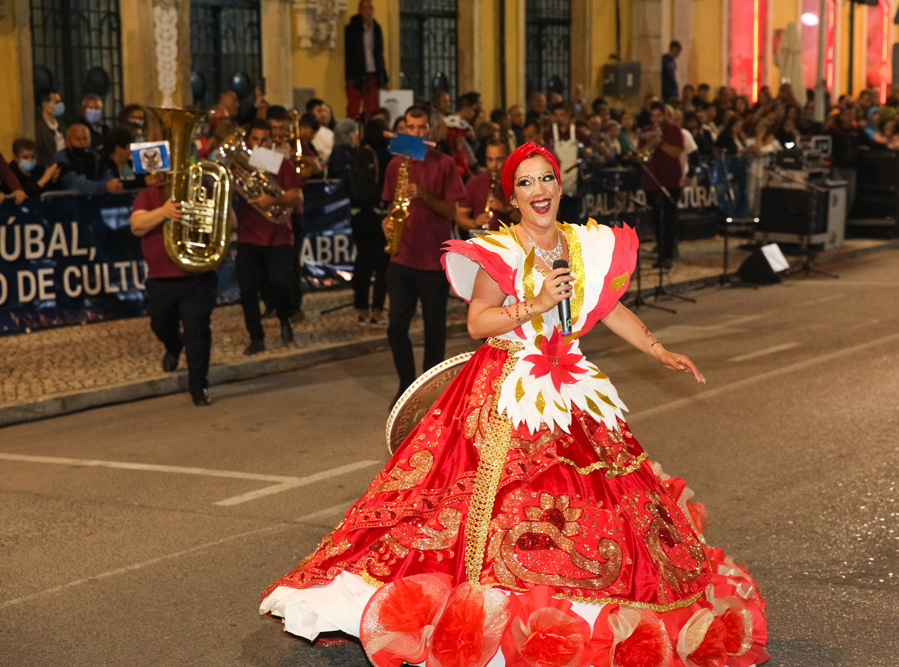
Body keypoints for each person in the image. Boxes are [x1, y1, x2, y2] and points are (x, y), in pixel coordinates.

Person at [259, 143, 769, 667]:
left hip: (568, 382)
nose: (539, 191)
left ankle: (582, 609)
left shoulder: (580, 244)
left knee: (594, 497)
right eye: (525, 183)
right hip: (507, 385)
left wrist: (659, 350)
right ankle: (496, 612)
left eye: (545, 178)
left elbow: (609, 306)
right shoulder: (500, 252)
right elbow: (479, 322)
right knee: (490, 501)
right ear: (512, 197)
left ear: (560, 185)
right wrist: (537, 304)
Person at [380, 105, 465, 404]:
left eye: (421, 127)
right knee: (396, 327)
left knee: (434, 329)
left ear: (429, 129)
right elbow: (392, 207)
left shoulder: (444, 163)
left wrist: (424, 196)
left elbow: (451, 211)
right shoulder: (395, 165)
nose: (416, 132)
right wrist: (387, 222)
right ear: (403, 129)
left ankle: (430, 394)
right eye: (410, 127)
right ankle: (406, 385)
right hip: (401, 258)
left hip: (433, 259)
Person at [130, 172, 225, 406]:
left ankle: (198, 386)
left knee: (197, 330)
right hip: (161, 279)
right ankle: (174, 345)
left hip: (198, 276)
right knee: (160, 324)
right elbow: (137, 226)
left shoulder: (201, 191)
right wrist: (164, 212)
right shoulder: (147, 194)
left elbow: (227, 220)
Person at [234, 120, 304, 355]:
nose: (260, 145)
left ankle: (284, 318)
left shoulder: (281, 164)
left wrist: (272, 201)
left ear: (272, 143)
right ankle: (256, 336)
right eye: (256, 140)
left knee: (281, 284)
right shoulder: (239, 166)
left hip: (279, 235)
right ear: (248, 141)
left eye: (265, 140)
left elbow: (297, 197)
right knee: (246, 290)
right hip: (247, 236)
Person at [346, 117, 391, 326]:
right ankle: (377, 311)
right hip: (376, 214)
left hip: (357, 215)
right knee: (381, 265)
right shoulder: (383, 154)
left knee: (362, 262)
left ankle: (361, 309)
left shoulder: (356, 153)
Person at [641, 102, 684, 267]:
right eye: (653, 116)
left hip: (670, 183)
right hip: (651, 182)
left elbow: (676, 153)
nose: (656, 119)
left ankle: (668, 255)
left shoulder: (674, 131)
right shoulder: (646, 131)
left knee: (669, 219)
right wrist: (649, 143)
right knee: (656, 219)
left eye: (659, 115)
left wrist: (660, 143)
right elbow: (641, 154)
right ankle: (661, 252)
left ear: (666, 115)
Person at [456, 139, 515, 233]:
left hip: (510, 241)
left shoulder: (516, 183)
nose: (494, 165)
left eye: (499, 159)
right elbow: (460, 216)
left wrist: (506, 210)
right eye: (490, 160)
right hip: (482, 240)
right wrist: (474, 223)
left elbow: (527, 218)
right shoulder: (474, 183)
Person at [344, 0, 387, 120]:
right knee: (353, 108)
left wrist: (384, 77)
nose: (368, 12)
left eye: (371, 8)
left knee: (373, 109)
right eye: (365, 8)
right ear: (360, 11)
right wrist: (350, 75)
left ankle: (371, 132)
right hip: (356, 73)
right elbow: (350, 52)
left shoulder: (376, 28)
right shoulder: (352, 28)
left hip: (372, 72)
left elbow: (379, 53)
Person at [54, 124, 124, 196]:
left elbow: (107, 176)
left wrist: (114, 184)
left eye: (85, 139)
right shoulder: (61, 157)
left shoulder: (94, 156)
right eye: (78, 139)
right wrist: (104, 186)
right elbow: (74, 184)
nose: (82, 143)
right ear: (67, 142)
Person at [34, 88, 67, 167]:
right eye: (56, 102)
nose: (60, 104)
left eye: (60, 101)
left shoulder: (62, 124)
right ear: (45, 104)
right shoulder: (38, 127)